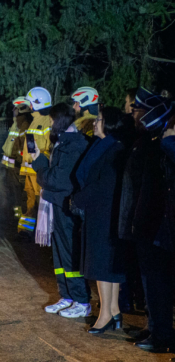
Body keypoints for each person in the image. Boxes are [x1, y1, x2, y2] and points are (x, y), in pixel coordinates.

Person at [119, 88, 175, 352]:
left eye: (139, 110)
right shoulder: (147, 140)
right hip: (145, 224)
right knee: (150, 284)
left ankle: (162, 334)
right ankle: (154, 327)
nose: (133, 113)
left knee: (158, 284)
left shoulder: (160, 143)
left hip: (157, 226)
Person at [72, 107, 130, 333]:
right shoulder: (108, 146)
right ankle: (113, 310)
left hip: (103, 215)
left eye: (100, 120)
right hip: (103, 214)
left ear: (110, 124)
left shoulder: (113, 149)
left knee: (102, 266)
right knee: (107, 267)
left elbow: (102, 185)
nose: (95, 123)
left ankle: (105, 314)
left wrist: (78, 199)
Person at [32, 102, 91, 318]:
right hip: (57, 204)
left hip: (65, 205)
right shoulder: (66, 141)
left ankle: (82, 300)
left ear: (60, 121)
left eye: (52, 120)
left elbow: (57, 179)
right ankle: (67, 296)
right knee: (59, 253)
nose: (50, 123)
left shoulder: (74, 145)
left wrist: (39, 164)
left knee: (69, 253)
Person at [19, 87, 53, 234]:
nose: (29, 106)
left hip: (39, 171)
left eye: (31, 103)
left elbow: (49, 147)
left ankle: (43, 233)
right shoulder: (34, 121)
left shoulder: (46, 122)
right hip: (30, 171)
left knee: (40, 203)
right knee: (30, 203)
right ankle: (26, 232)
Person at [1, 97, 33, 219]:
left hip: (18, 168)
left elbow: (23, 148)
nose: (13, 110)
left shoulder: (24, 125)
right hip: (11, 168)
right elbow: (10, 146)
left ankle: (21, 219)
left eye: (15, 107)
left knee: (20, 195)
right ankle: (15, 218)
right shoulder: (16, 124)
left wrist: (18, 163)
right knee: (14, 194)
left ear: (21, 109)